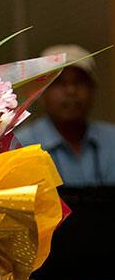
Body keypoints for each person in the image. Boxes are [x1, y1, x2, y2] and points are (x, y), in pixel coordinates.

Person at [16, 44, 115, 186]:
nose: (71, 91)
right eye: (58, 82)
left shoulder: (112, 140)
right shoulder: (22, 147)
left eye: (79, 82)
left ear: (93, 89)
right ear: (40, 93)